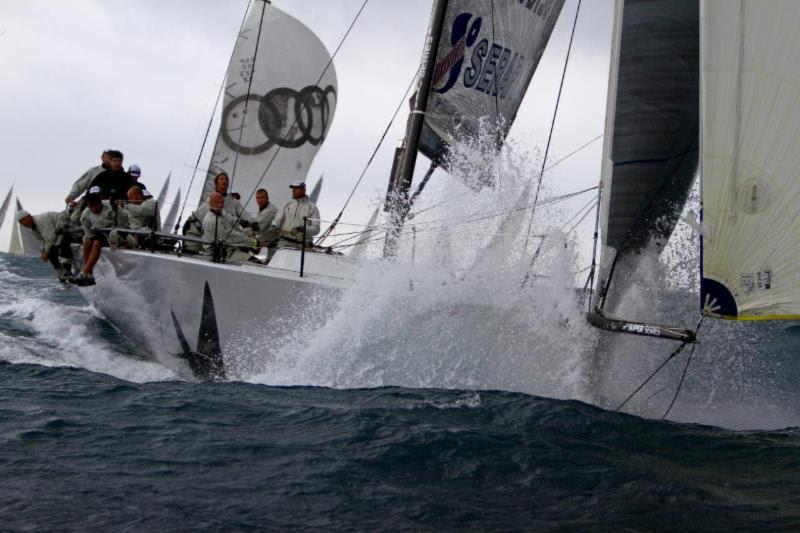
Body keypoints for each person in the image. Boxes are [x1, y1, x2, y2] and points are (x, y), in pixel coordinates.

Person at [73, 186, 129, 286]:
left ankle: (85, 272)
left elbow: (124, 220)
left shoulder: (110, 206)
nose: (93, 207)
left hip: (115, 236)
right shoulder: (85, 215)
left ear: (100, 201)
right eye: (90, 204)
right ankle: (89, 275)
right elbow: (89, 234)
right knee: (87, 241)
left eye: (95, 204)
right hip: (97, 235)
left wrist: (116, 208)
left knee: (97, 243)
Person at [202, 192, 262, 262]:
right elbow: (231, 236)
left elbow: (232, 220)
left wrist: (246, 223)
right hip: (223, 253)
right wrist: (254, 243)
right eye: (217, 202)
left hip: (228, 249)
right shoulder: (212, 220)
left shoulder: (219, 214)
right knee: (256, 262)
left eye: (222, 202)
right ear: (210, 204)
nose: (220, 204)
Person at [16, 209, 74, 282]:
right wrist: (43, 251)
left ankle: (67, 270)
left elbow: (51, 237)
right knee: (47, 251)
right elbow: (40, 240)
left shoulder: (40, 220)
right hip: (58, 234)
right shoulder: (32, 228)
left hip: (68, 226)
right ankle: (60, 273)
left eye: (24, 220)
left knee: (52, 249)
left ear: (29, 216)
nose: (23, 223)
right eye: (21, 222)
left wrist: (46, 252)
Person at [271, 181, 320, 247]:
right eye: (293, 188)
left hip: (302, 245)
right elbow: (278, 219)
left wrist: (303, 229)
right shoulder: (287, 205)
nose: (293, 190)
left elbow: (316, 229)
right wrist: (274, 226)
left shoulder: (312, 208)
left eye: (296, 188)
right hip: (284, 242)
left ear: (304, 190)